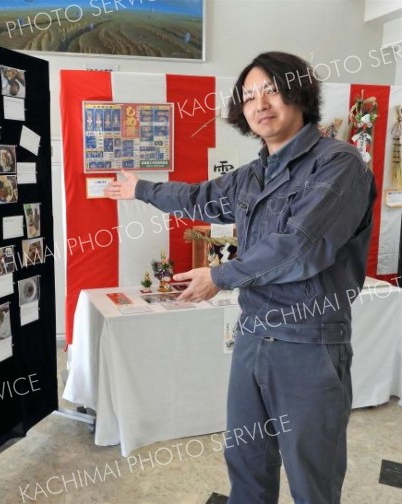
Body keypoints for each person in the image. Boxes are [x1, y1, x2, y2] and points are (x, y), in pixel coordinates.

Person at [104, 51, 376, 504]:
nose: (259, 104)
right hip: (252, 338)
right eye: (248, 96)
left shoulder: (339, 164)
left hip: (308, 342)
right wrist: (141, 188)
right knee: (246, 464)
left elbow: (301, 246)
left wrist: (222, 274)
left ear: (299, 93)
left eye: (270, 89)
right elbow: (200, 197)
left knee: (313, 478)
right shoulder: (254, 174)